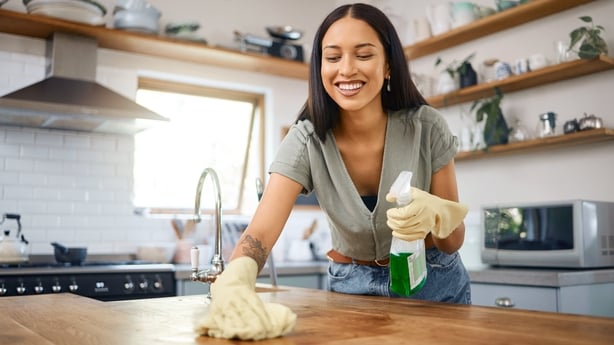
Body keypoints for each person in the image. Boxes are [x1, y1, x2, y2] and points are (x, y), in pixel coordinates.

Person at [195, 3, 470, 340]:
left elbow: (452, 243)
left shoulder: (427, 128)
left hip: (435, 286)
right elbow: (261, 233)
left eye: (364, 55)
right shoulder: (306, 140)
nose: (347, 69)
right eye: (333, 56)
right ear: (320, 66)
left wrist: (437, 215)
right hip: (350, 289)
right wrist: (237, 276)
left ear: (388, 66)